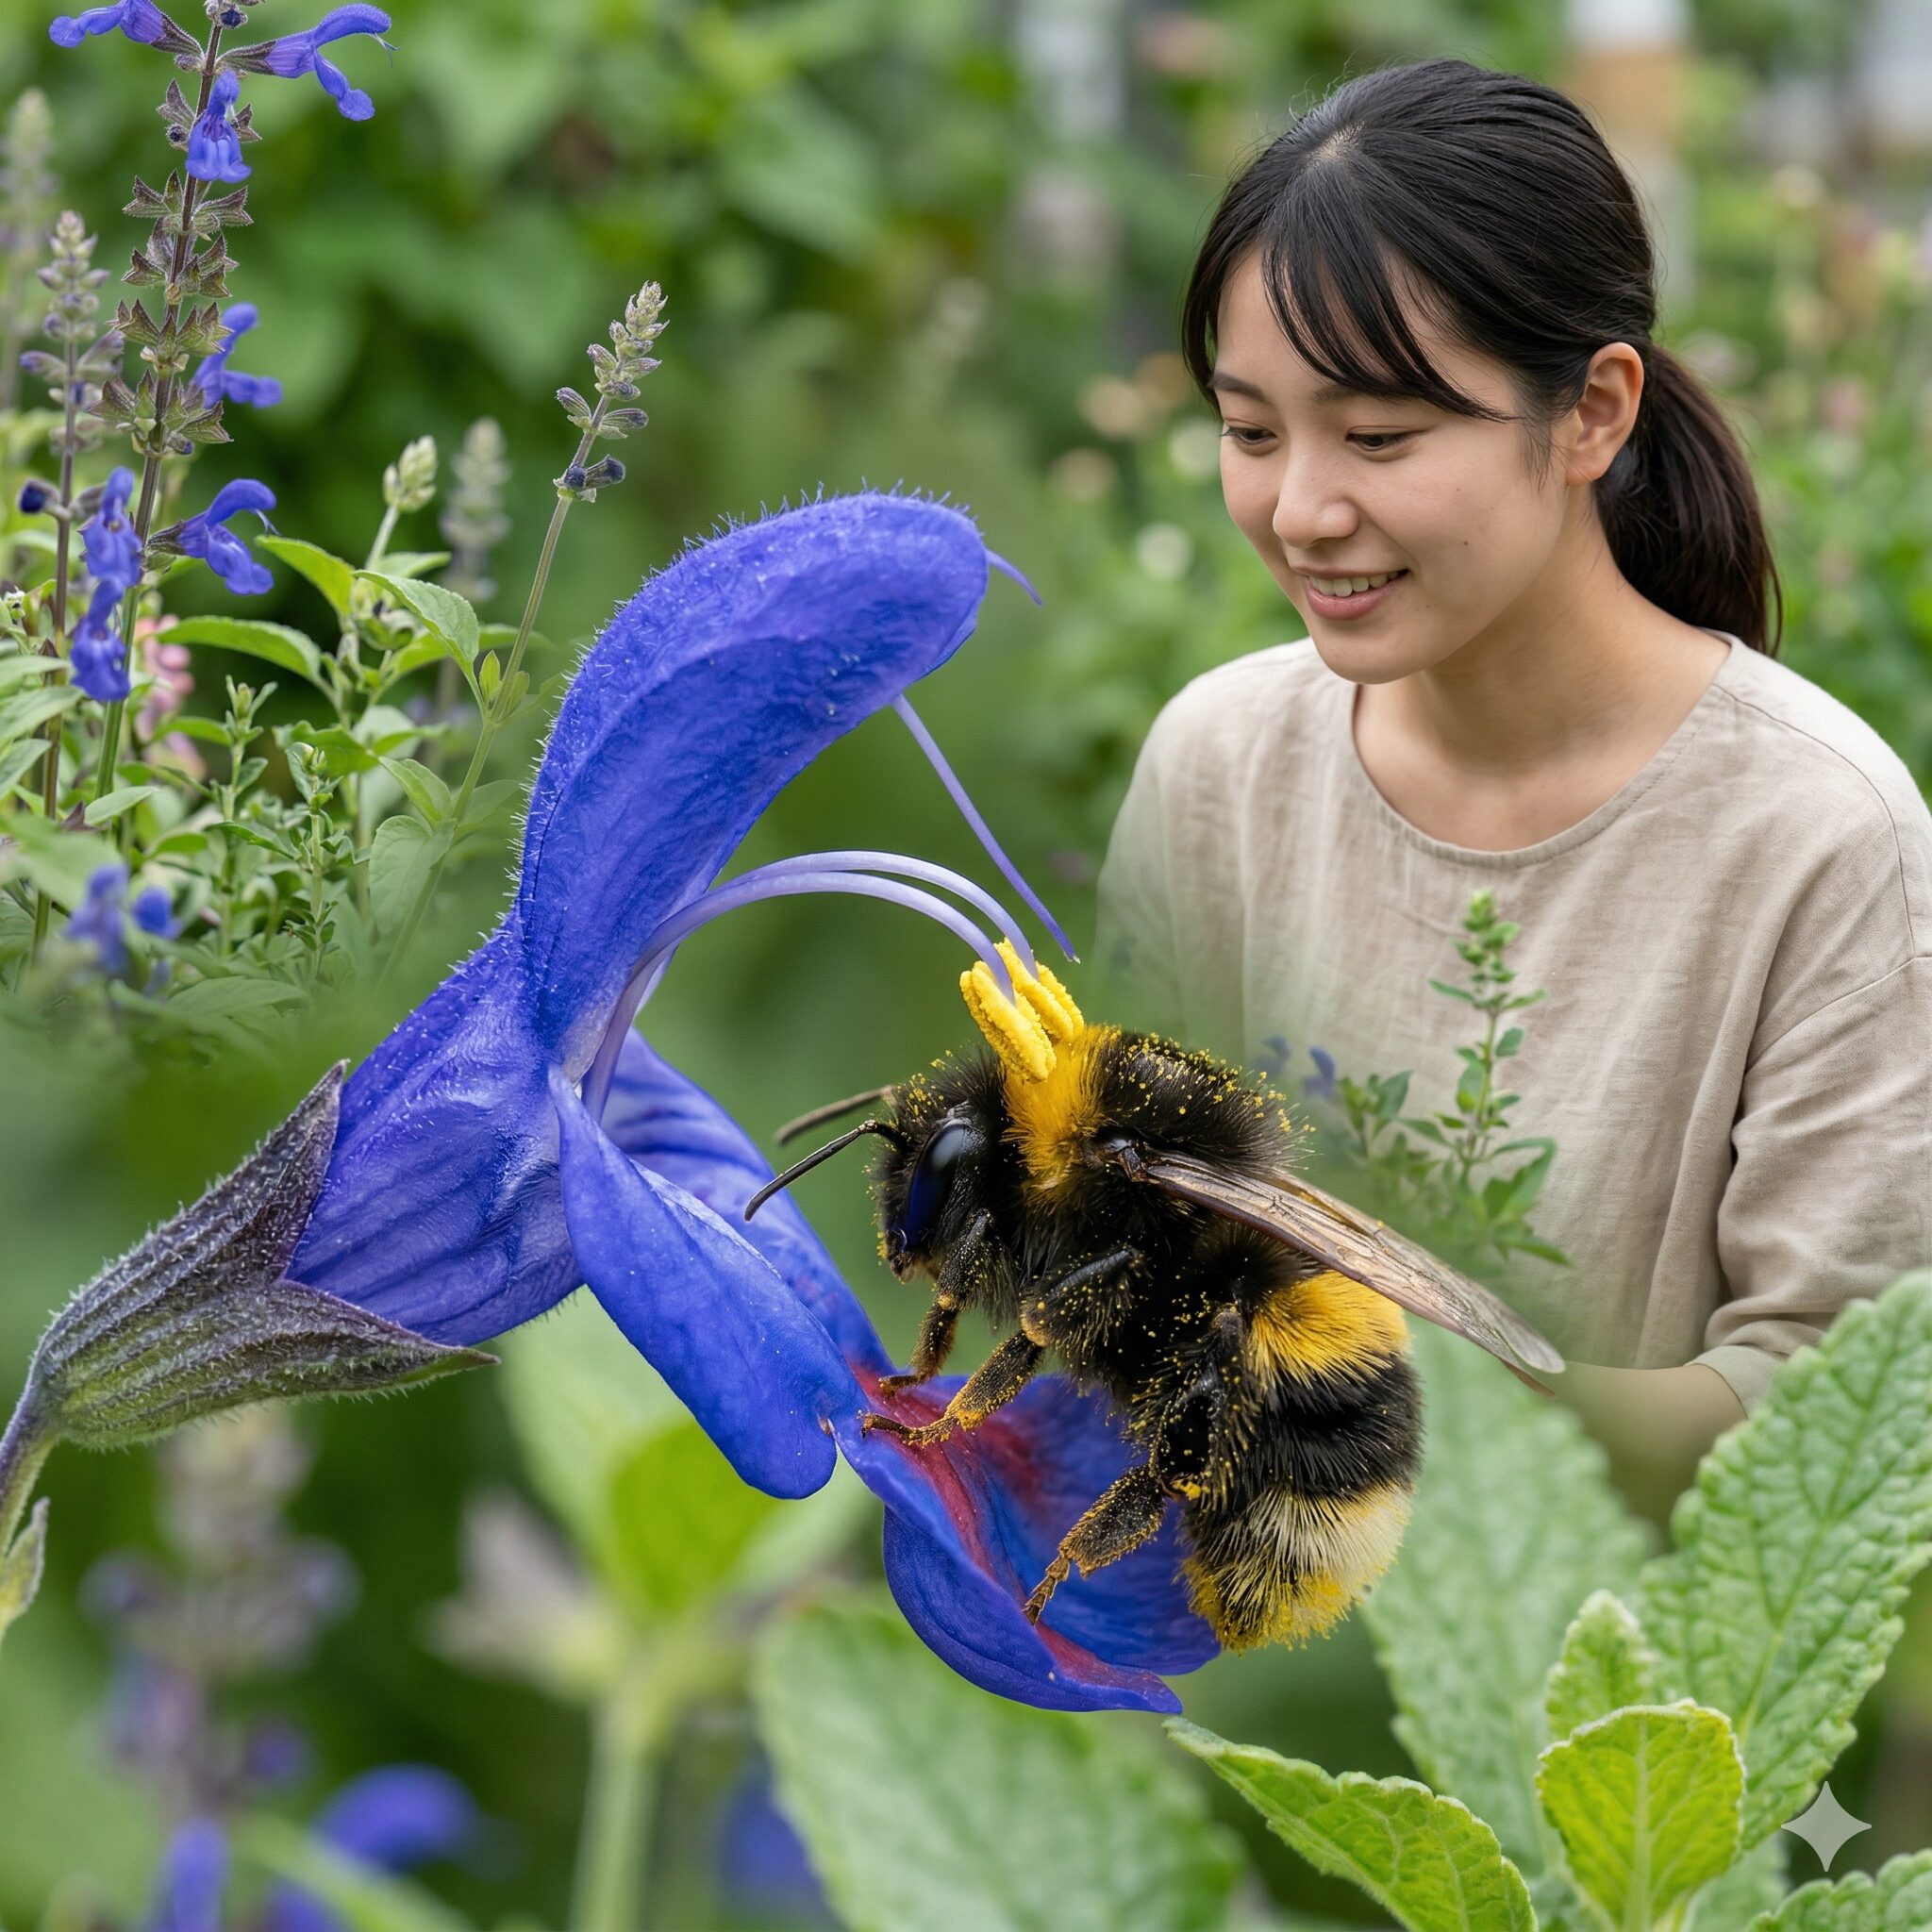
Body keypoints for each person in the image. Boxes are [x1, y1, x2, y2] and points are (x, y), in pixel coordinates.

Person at [1093, 58, 1932, 1525]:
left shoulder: (1821, 836)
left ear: (1593, 413)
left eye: (1379, 437)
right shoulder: (1219, 764)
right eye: (1248, 431)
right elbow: (1120, 1245)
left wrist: (1394, 1374)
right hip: (1238, 1688)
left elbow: (1839, 1403)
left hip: (1626, 1727)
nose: (1300, 510)